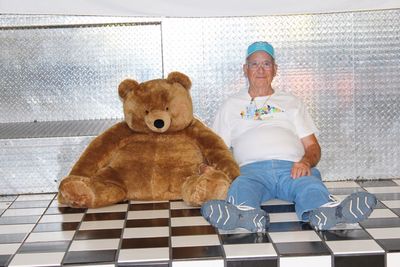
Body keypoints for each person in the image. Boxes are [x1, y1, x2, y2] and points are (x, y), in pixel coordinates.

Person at [201, 41, 377, 232]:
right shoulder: (230, 105)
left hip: (292, 169)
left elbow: (312, 147)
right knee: (241, 186)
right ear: (245, 69)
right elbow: (215, 148)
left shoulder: (292, 102)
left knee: (309, 185)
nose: (261, 70)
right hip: (250, 172)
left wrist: (306, 163)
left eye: (266, 64)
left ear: (275, 69)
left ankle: (327, 213)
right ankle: (243, 214)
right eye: (254, 64)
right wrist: (205, 166)